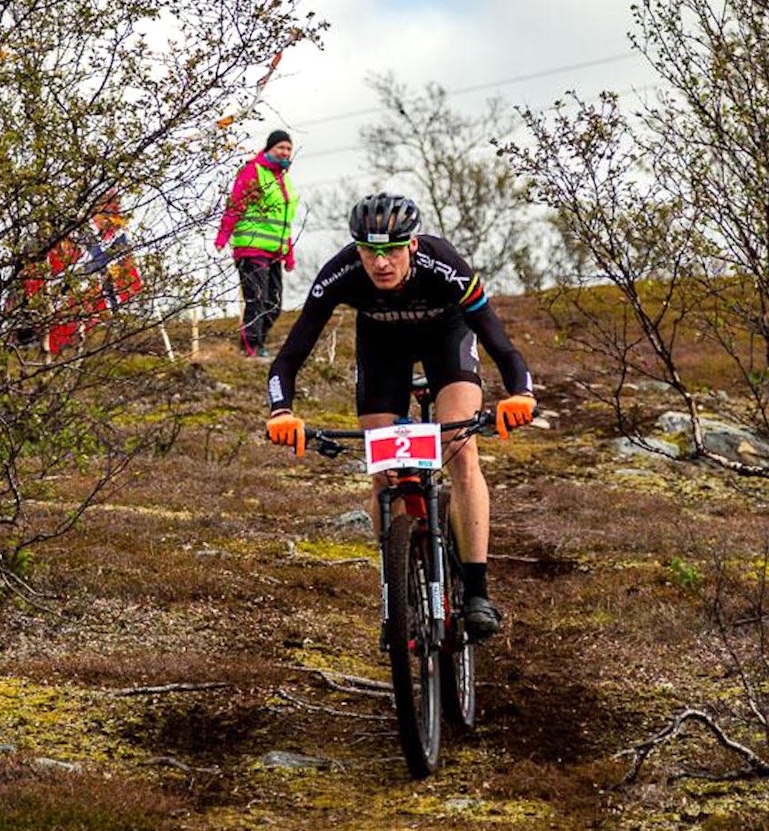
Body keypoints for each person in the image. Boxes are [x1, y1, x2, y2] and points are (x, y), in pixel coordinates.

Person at [264, 192, 537, 640]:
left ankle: (476, 592)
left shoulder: (444, 265)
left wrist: (521, 394)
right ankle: (397, 588)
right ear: (357, 249)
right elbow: (289, 356)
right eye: (369, 251)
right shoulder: (341, 272)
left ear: (411, 244)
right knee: (384, 474)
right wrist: (281, 412)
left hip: (446, 340)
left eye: (391, 250)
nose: (380, 262)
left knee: (460, 448)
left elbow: (501, 345)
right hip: (382, 349)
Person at [215, 129, 298, 359]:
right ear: (269, 148)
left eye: (288, 148)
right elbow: (236, 204)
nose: (285, 152)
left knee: (274, 303)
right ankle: (251, 346)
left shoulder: (283, 179)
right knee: (257, 299)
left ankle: (255, 340)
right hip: (251, 247)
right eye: (280, 147)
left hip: (274, 250)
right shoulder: (254, 171)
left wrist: (289, 255)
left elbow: (284, 222)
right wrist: (223, 236)